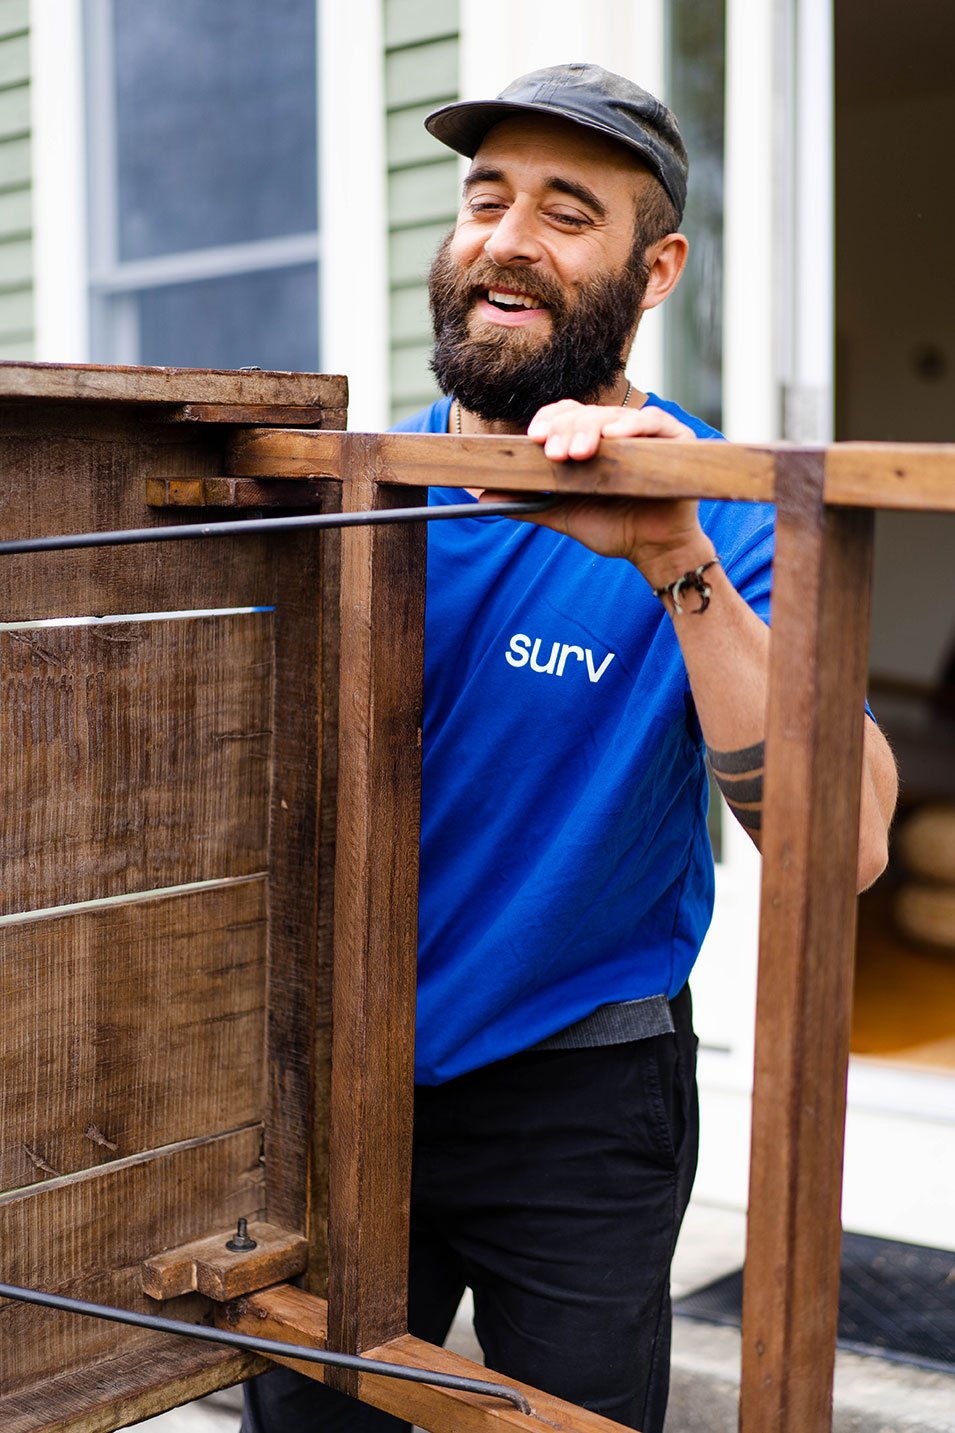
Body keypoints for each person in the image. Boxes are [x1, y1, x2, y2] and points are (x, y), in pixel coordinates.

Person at [243, 63, 897, 1433]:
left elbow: (844, 844)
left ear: (655, 269)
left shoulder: (718, 506)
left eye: (564, 210)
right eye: (486, 199)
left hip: (580, 1089)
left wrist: (676, 561)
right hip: (332, 1077)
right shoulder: (340, 491)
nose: (507, 240)